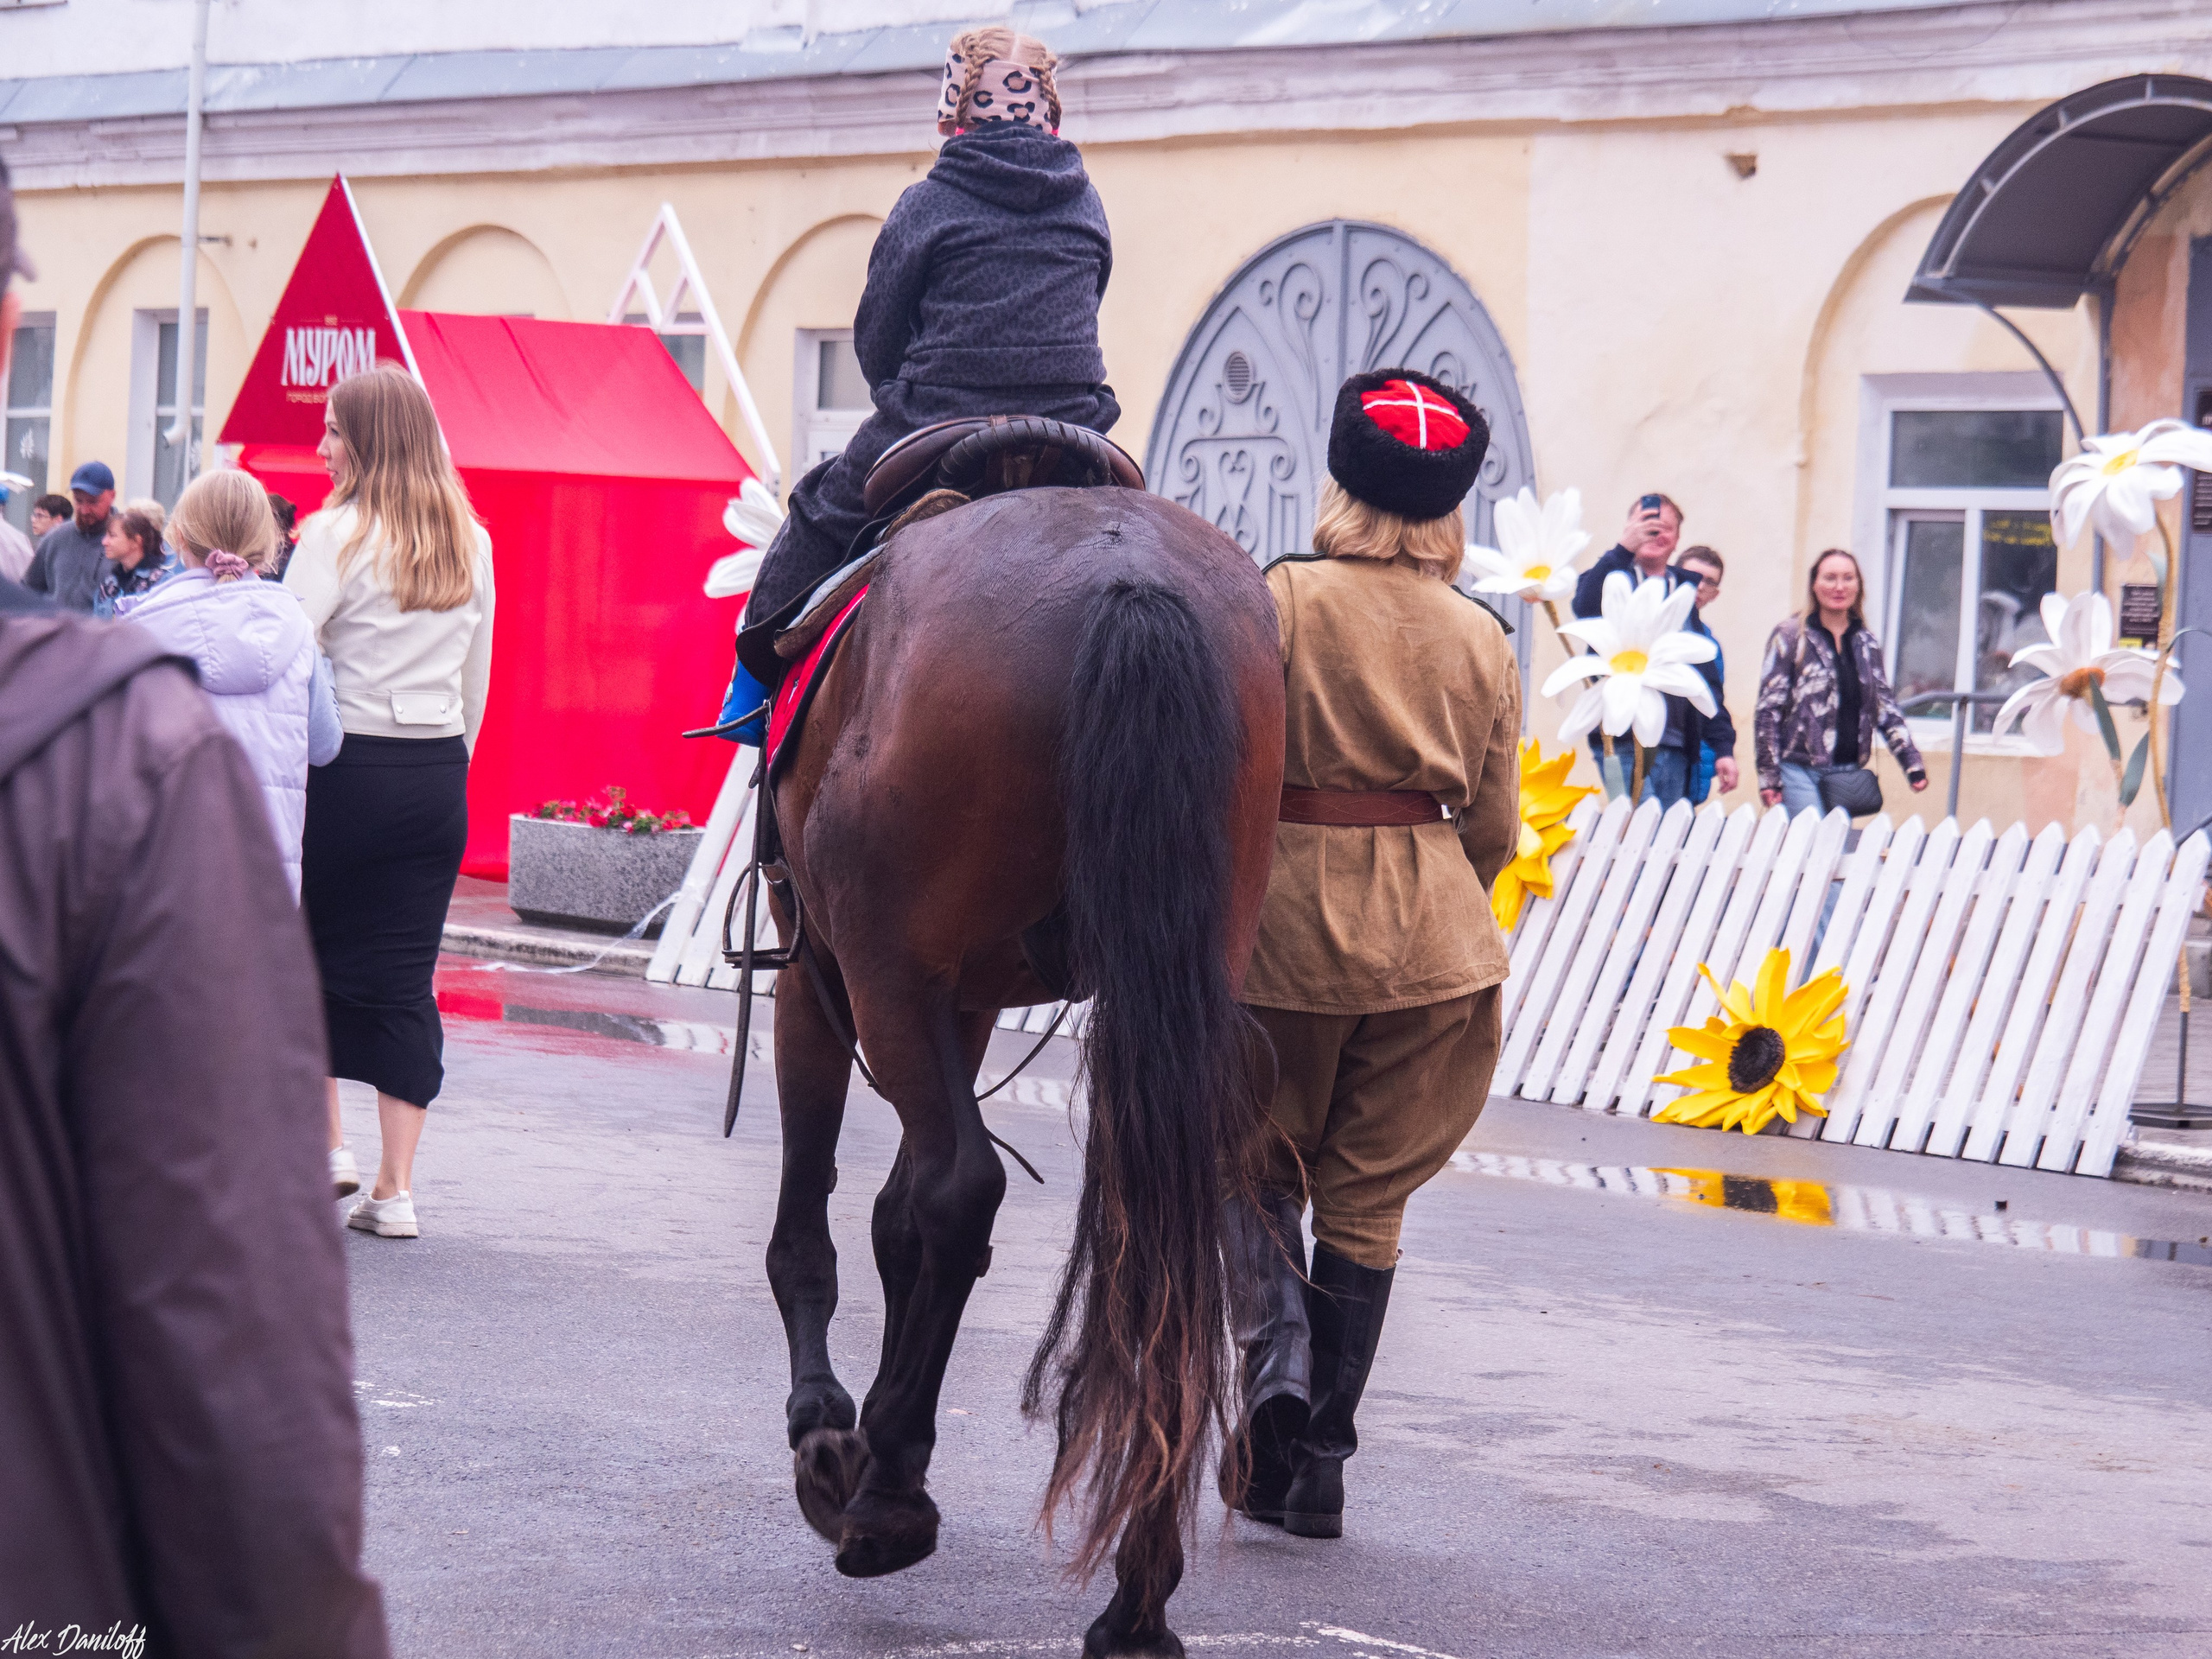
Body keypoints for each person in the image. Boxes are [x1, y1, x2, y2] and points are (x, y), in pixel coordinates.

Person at [0, 138, 391, 1659]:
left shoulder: (150, 646)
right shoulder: (118, 738)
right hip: (243, 862)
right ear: (10, 320)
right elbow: (231, 1367)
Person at [1224, 369, 1520, 1541]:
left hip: (1281, 927)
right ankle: (1322, 1471)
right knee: (1367, 1199)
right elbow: (1493, 829)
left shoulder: (1280, 598)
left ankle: (1277, 1376)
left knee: (1243, 1157)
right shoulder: (1483, 635)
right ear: (1447, 506)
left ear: (1342, 485)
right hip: (1437, 945)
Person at [715, 24, 1116, 741]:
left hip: (937, 424)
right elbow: (1091, 298)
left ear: (954, 115)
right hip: (1073, 431)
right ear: (1051, 113)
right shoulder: (1086, 203)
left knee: (815, 512)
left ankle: (748, 700)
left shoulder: (929, 202)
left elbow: (877, 343)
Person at [289, 365, 494, 1230]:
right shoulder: (470, 539)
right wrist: (449, 764)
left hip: (346, 771)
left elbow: (289, 655)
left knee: (304, 959)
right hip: (436, 773)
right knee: (405, 977)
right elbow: (477, 680)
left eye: (334, 430)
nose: (322, 445)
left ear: (368, 439)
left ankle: (328, 1149)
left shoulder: (333, 533)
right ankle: (396, 1190)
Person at [123, 467, 342, 894]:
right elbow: (325, 745)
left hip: (165, 875)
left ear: (180, 536)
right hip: (270, 885)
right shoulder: (296, 628)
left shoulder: (142, 630)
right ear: (267, 540)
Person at [1571, 493, 1737, 806]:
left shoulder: (1684, 595)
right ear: (1629, 527)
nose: (1655, 533)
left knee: (1665, 846)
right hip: (1620, 742)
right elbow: (1585, 607)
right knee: (1637, 832)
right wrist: (1622, 549)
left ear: (1677, 541)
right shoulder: (1613, 577)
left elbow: (1707, 686)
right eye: (1647, 524)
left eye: (1665, 528)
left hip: (1677, 746)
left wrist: (1723, 749)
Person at [1755, 547, 1928, 816]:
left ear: (1858, 586)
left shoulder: (1866, 642)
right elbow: (1768, 710)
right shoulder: (1791, 636)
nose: (1839, 587)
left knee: (1833, 850)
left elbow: (1885, 708)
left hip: (1848, 773)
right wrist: (1769, 775)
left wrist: (1911, 762)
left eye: (1848, 578)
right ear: (1814, 584)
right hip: (1797, 771)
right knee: (1809, 847)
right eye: (1830, 578)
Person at [24, 460, 118, 612]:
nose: (84, 510)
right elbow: (28, 590)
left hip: (103, 635)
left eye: (93, 502)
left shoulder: (126, 541)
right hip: (57, 633)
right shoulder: (55, 538)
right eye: (78, 500)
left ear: (112, 496)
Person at [1675, 545, 1727, 804]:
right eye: (1693, 575)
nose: (1699, 585)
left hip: (1692, 761)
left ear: (1714, 595)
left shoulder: (1708, 644)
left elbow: (1712, 704)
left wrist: (1723, 752)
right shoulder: (1649, 620)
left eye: (1709, 582)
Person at [93, 496, 178, 617]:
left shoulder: (162, 581)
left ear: (137, 540)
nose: (104, 542)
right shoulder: (109, 583)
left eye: (112, 536)